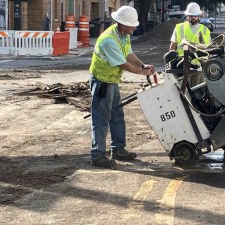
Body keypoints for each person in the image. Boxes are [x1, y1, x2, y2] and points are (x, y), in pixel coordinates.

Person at [89, 6, 155, 168]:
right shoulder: (109, 40)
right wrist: (142, 72)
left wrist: (143, 65)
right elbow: (123, 64)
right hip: (102, 81)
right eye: (132, 24)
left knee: (117, 115)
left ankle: (118, 149)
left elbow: (129, 55)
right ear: (122, 24)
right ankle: (98, 155)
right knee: (101, 119)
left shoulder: (123, 35)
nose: (135, 27)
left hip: (112, 80)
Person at [169, 2, 211, 87]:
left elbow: (209, 50)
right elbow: (172, 46)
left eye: (195, 16)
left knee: (197, 94)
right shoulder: (179, 28)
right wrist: (170, 62)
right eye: (191, 16)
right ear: (187, 16)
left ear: (199, 16)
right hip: (181, 68)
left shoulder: (205, 30)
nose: (193, 18)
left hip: (199, 69)